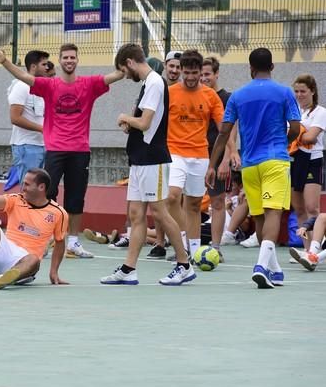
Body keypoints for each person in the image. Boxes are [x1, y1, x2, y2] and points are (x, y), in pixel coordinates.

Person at [0, 43, 124, 259]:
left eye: (72, 57)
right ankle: (43, 238)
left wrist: (126, 64)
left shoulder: (89, 84)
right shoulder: (50, 85)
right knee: (46, 194)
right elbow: (25, 78)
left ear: (77, 60)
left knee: (76, 197)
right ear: (59, 61)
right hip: (55, 149)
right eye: (65, 58)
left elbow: (113, 76)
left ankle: (73, 242)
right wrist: (4, 61)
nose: (69, 61)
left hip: (80, 150)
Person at [206, 47, 301, 289]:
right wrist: (285, 141)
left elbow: (223, 132)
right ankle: (260, 266)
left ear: (250, 68)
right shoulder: (284, 92)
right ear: (272, 67)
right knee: (273, 214)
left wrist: (212, 164)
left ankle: (274, 269)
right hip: (275, 161)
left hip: (249, 165)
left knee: (259, 215)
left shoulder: (237, 96)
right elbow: (296, 127)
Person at [100, 43, 194, 286]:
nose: (124, 75)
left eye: (124, 69)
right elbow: (141, 124)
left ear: (130, 62)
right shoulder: (146, 84)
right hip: (139, 160)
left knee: (161, 214)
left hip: (154, 160)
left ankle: (184, 265)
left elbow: (145, 122)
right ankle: (129, 269)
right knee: (136, 214)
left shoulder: (154, 82)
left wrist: (125, 118)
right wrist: (129, 125)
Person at [0, 168, 69, 289]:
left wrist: (54, 272)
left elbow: (60, 242)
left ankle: (5, 278)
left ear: (41, 187)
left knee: (34, 260)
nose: (23, 188)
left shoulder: (59, 213)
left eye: (27, 185)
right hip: (5, 251)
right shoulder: (16, 199)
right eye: (23, 183)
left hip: (26, 264)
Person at [165, 50, 225, 262]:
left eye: (195, 73)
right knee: (171, 196)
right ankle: (181, 243)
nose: (190, 77)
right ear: (180, 70)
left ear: (201, 72)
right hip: (174, 152)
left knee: (193, 205)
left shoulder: (211, 96)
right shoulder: (169, 92)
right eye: (186, 72)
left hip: (200, 155)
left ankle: (195, 251)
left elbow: (223, 128)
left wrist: (231, 153)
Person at [200, 56, 240, 261]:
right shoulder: (195, 94)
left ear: (216, 74)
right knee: (187, 202)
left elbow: (230, 131)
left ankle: (216, 248)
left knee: (217, 202)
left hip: (216, 158)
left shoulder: (227, 98)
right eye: (201, 74)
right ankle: (189, 248)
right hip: (194, 154)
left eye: (208, 74)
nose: (204, 78)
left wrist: (226, 159)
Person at [289, 74, 326, 248]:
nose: (299, 94)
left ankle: (316, 247)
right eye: (296, 91)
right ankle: (306, 249)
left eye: (303, 91)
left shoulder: (320, 112)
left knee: (312, 207)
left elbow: (311, 137)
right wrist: (298, 134)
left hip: (312, 160)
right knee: (299, 208)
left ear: (312, 91)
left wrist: (296, 133)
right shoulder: (293, 111)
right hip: (294, 160)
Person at [8, 50, 49, 185]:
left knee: (40, 190)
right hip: (26, 147)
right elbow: (15, 118)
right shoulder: (21, 86)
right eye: (44, 64)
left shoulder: (42, 87)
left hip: (42, 145)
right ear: (33, 67)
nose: (47, 67)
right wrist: (42, 129)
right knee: (29, 189)